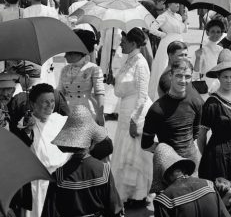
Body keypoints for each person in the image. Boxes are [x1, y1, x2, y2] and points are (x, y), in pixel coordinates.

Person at [29, 107, 130, 217]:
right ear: (92, 142)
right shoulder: (104, 170)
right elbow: (116, 209)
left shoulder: (58, 176)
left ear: (68, 143)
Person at [17, 83, 69, 217]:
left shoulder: (61, 120)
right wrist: (27, 132)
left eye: (52, 102)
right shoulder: (26, 125)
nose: (49, 106)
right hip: (39, 188)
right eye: (44, 102)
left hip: (62, 184)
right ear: (32, 104)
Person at [198, 49, 231, 215]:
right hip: (219, 157)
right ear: (218, 77)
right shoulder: (212, 103)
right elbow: (201, 136)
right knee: (221, 200)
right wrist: (209, 156)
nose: (229, 80)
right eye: (225, 77)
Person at [142, 58, 204, 193]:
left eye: (187, 76)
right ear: (170, 76)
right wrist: (165, 151)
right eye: (179, 75)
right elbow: (146, 145)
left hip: (192, 163)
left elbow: (195, 133)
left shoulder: (196, 102)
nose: (183, 80)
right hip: (168, 167)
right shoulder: (157, 109)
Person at [111, 28, 153, 207]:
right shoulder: (128, 60)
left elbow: (143, 94)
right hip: (125, 109)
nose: (121, 44)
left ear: (134, 43)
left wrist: (135, 120)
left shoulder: (141, 63)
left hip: (137, 110)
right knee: (124, 151)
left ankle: (138, 194)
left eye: (124, 41)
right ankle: (124, 193)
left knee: (135, 153)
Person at [57, 29, 105, 124]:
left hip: (87, 112)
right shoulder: (65, 69)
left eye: (69, 53)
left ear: (78, 52)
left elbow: (99, 93)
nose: (65, 56)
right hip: (68, 112)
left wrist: (100, 115)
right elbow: (59, 93)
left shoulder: (93, 68)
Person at [148, 0, 188, 101]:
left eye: (178, 3)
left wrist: (185, 20)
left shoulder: (178, 16)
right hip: (167, 44)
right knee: (165, 67)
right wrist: (164, 35)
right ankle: (161, 93)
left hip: (180, 42)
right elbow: (152, 29)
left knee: (180, 67)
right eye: (175, 3)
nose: (178, 5)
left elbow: (184, 30)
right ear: (169, 5)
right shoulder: (164, 16)